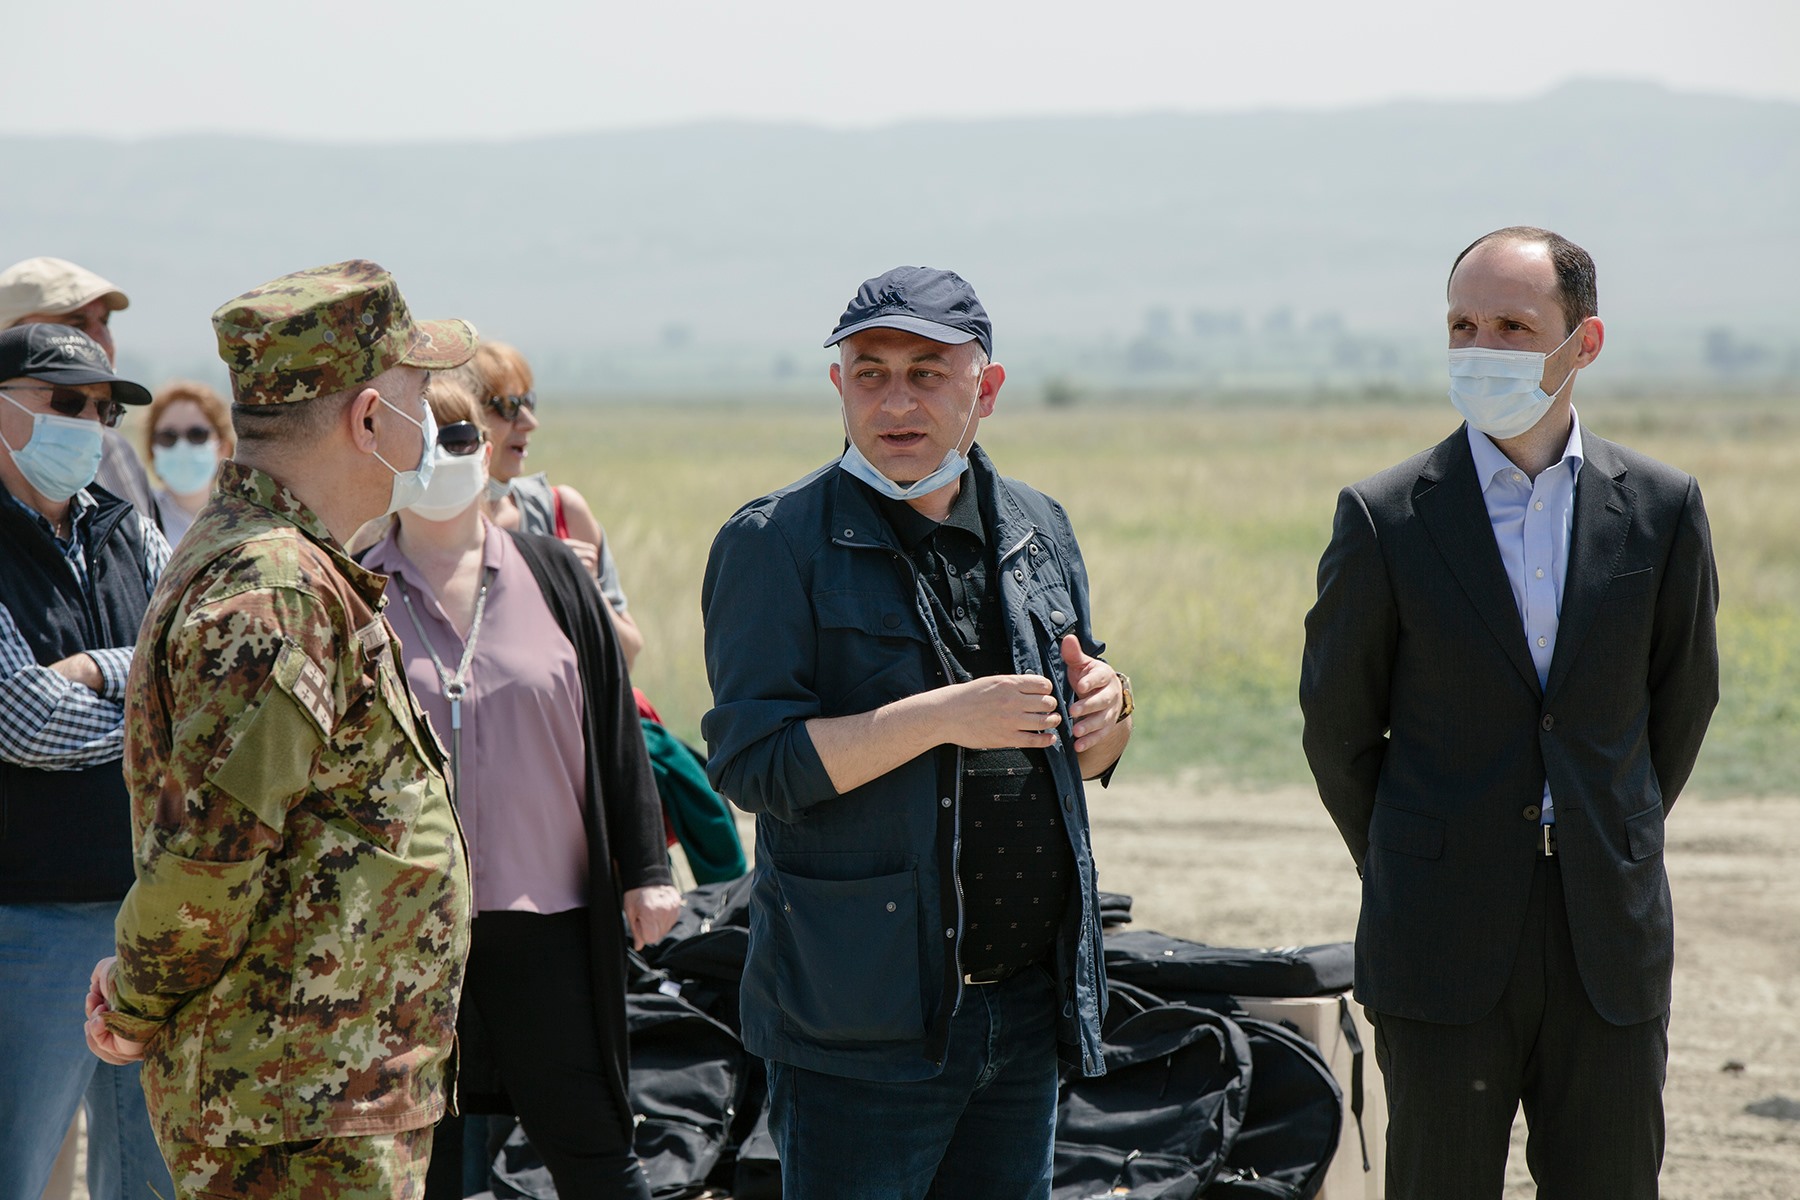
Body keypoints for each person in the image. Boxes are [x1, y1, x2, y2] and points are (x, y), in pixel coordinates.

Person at [1299, 227, 1720, 1198]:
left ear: (1585, 342)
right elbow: (1339, 730)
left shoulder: (1661, 509)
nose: (1481, 348)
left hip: (1605, 936)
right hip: (1439, 936)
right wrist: (1417, 852)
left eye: (1513, 328)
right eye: (1463, 325)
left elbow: (1681, 702)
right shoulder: (1386, 516)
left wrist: (1605, 831)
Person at [701, 266, 1133, 1199]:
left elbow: (1084, 744)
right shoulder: (774, 542)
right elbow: (751, 764)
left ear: (988, 387)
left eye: (927, 374)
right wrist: (941, 719)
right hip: (859, 1023)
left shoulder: (1038, 527)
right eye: (871, 373)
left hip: (1025, 1008)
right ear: (839, 385)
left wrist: (1111, 711)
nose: (896, 402)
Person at [82, 259, 477, 1199]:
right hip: (296, 1111)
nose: (431, 420)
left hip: (319, 1093)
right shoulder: (275, 590)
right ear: (368, 419)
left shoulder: (291, 568)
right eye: (419, 394)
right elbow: (209, 858)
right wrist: (135, 998)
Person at [360, 374, 681, 1198]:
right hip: (403, 932)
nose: (443, 456)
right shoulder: (353, 588)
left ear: (487, 451)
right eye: (421, 439)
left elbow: (614, 724)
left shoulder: (554, 573)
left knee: (595, 1151)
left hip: (550, 921)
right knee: (412, 1161)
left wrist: (647, 870)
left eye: (460, 436)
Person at [0, 323, 173, 1200]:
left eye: (103, 411)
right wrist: (153, 717)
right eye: (67, 403)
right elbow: (24, 718)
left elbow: (196, 664)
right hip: (28, 922)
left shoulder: (127, 529)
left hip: (147, 909)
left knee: (148, 1176)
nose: (90, 426)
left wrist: (96, 671)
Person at [472, 342, 646, 668]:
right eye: (508, 406)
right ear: (459, 413)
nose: (529, 422)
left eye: (528, 402)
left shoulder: (562, 511)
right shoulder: (419, 528)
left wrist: (582, 586)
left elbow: (629, 653)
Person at [0, 256, 160, 522]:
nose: (103, 343)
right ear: (10, 336)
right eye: (76, 325)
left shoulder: (118, 454)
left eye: (105, 322)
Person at [141, 380, 234, 544]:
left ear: (223, 448)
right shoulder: (136, 520)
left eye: (197, 434)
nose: (182, 446)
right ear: (152, 449)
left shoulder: (242, 521)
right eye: (168, 436)